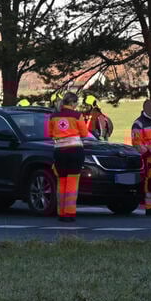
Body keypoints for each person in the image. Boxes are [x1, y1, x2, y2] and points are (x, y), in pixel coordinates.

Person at [48, 91, 88, 222]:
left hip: (59, 152)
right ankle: (69, 213)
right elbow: (84, 133)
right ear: (72, 103)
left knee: (61, 181)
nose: (77, 106)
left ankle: (61, 212)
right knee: (72, 182)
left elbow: (49, 133)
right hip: (75, 152)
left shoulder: (53, 116)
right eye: (76, 103)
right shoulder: (77, 116)